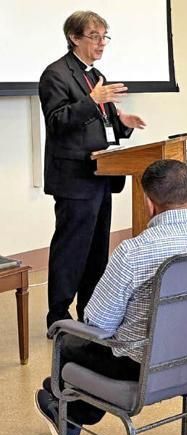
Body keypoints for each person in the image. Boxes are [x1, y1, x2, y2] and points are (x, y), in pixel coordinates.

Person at [35, 160, 187, 435]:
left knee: (69, 343)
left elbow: (97, 324)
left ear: (148, 203)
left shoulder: (134, 252)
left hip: (146, 369)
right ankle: (64, 402)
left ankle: (69, 411)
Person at [39, 11, 146, 327]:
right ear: (74, 37)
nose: (102, 43)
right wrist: (92, 99)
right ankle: (58, 315)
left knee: (98, 250)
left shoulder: (94, 74)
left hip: (101, 173)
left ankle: (90, 311)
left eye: (105, 36)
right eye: (95, 36)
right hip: (74, 177)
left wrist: (121, 123)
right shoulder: (55, 74)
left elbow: (101, 121)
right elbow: (58, 122)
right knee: (71, 248)